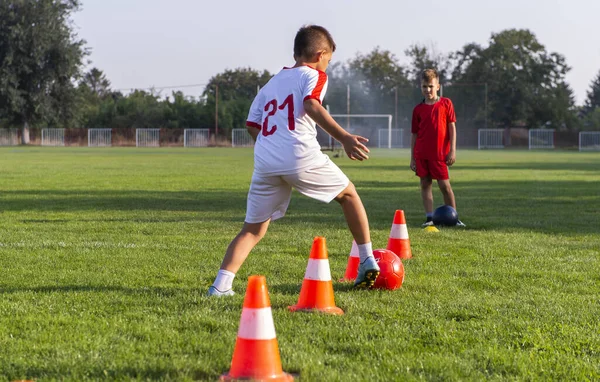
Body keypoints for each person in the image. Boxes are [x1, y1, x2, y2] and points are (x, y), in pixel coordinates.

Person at [207, 25, 380, 296]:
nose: (327, 67)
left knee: (252, 230)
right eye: (328, 61)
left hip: (266, 161)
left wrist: (272, 148)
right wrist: (344, 137)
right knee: (349, 195)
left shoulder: (270, 84)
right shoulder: (314, 75)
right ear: (321, 54)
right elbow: (312, 105)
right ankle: (368, 260)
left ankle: (220, 286)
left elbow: (252, 124)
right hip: (299, 155)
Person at [410, 69, 466, 227]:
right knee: (425, 183)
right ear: (420, 87)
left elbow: (452, 128)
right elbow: (414, 134)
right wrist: (413, 158)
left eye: (430, 86)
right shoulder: (418, 109)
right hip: (422, 154)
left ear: (438, 86)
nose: (427, 90)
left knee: (445, 186)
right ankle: (429, 218)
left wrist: (452, 150)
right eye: (424, 86)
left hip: (440, 154)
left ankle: (454, 218)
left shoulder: (446, 103)